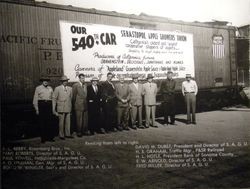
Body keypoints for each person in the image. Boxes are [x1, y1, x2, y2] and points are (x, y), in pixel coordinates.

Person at [33, 76, 54, 143]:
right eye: (44, 81)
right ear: (42, 81)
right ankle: (43, 138)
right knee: (42, 122)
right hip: (42, 105)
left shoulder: (50, 88)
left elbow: (53, 98)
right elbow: (35, 99)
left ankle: (50, 137)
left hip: (49, 105)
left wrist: (53, 108)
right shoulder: (38, 88)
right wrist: (37, 109)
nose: (46, 82)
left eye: (47, 81)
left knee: (49, 122)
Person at [53, 75, 73, 139]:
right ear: (61, 82)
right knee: (61, 122)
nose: (65, 82)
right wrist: (54, 109)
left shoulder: (70, 88)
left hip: (68, 107)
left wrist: (71, 107)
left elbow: (71, 98)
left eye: (66, 81)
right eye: (64, 81)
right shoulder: (57, 88)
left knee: (68, 122)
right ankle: (61, 135)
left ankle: (68, 134)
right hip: (61, 108)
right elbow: (54, 99)